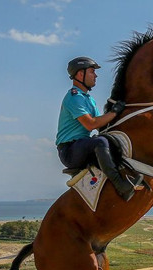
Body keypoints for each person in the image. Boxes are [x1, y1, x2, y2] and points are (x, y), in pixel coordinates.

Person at [55, 56, 143, 201]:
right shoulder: (74, 97)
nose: (96, 75)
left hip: (82, 146)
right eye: (91, 71)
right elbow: (91, 124)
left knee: (109, 140)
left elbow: (102, 124)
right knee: (100, 142)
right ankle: (121, 186)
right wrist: (114, 112)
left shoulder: (88, 99)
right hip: (69, 151)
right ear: (80, 74)